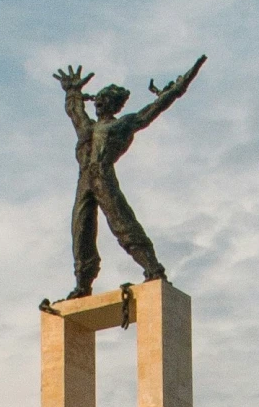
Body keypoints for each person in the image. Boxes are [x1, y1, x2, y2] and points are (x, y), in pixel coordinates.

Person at [54, 57, 206, 296]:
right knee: (80, 230)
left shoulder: (122, 124)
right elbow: (75, 111)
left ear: (113, 104)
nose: (99, 102)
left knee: (122, 223)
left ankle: (152, 268)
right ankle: (83, 284)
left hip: (102, 174)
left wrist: (177, 89)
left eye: (104, 99)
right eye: (99, 99)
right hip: (84, 179)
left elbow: (152, 110)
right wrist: (72, 91)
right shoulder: (88, 127)